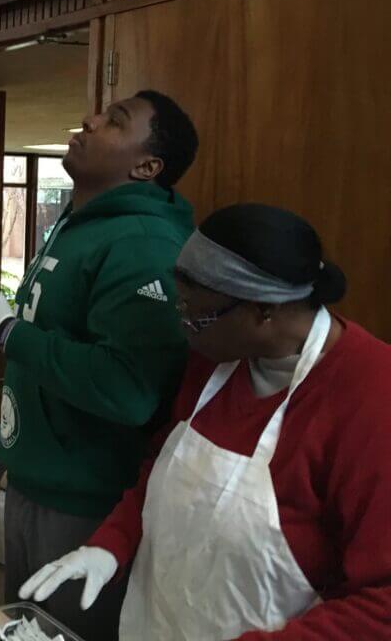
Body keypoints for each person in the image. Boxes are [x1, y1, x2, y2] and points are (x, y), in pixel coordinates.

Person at [19, 204, 391, 641]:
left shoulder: (370, 397)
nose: (184, 330)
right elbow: (164, 472)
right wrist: (111, 544)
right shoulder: (217, 360)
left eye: (196, 318)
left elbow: (381, 604)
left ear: (264, 311)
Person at [0, 90, 199, 639]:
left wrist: (6, 332)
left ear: (146, 166)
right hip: (35, 480)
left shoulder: (142, 241)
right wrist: (5, 441)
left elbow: (126, 387)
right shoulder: (78, 222)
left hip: (87, 500)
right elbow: (52, 354)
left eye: (115, 121)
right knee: (21, 631)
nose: (89, 120)